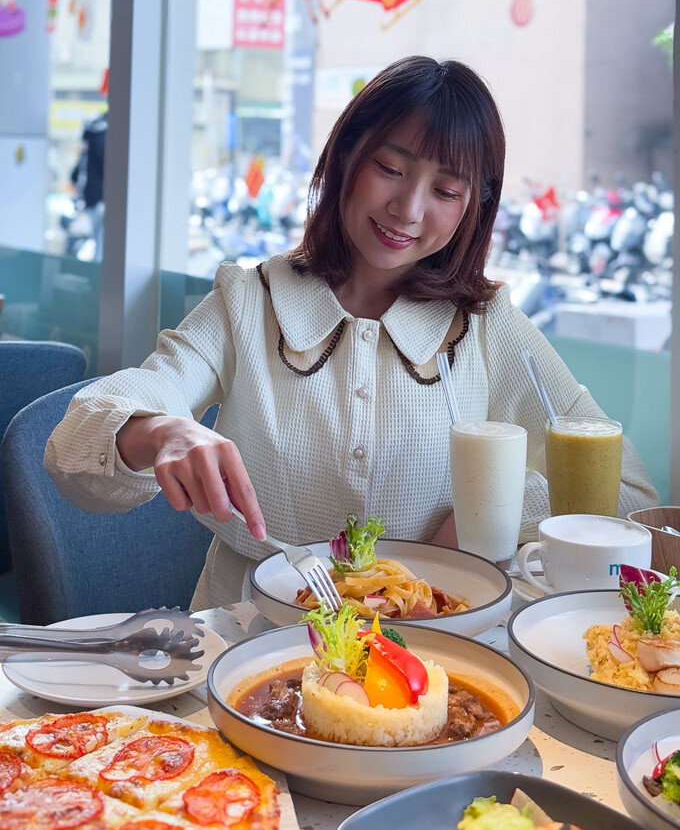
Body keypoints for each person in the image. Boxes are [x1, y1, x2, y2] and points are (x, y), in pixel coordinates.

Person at [45, 57, 658, 609]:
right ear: (345, 159)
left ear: (474, 205)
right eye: (391, 168)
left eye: (446, 190)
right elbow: (73, 446)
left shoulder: (487, 325)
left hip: (435, 651)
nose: (409, 210)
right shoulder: (250, 299)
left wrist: (489, 513)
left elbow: (627, 491)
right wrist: (159, 432)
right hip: (250, 638)